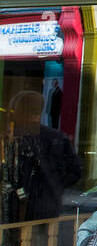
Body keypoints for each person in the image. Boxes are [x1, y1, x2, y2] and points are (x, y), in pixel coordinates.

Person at [4, 90, 82, 222]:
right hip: (46, 206)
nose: (10, 115)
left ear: (21, 112)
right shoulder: (57, 137)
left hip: (23, 209)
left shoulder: (14, 138)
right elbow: (75, 171)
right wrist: (53, 187)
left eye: (12, 111)